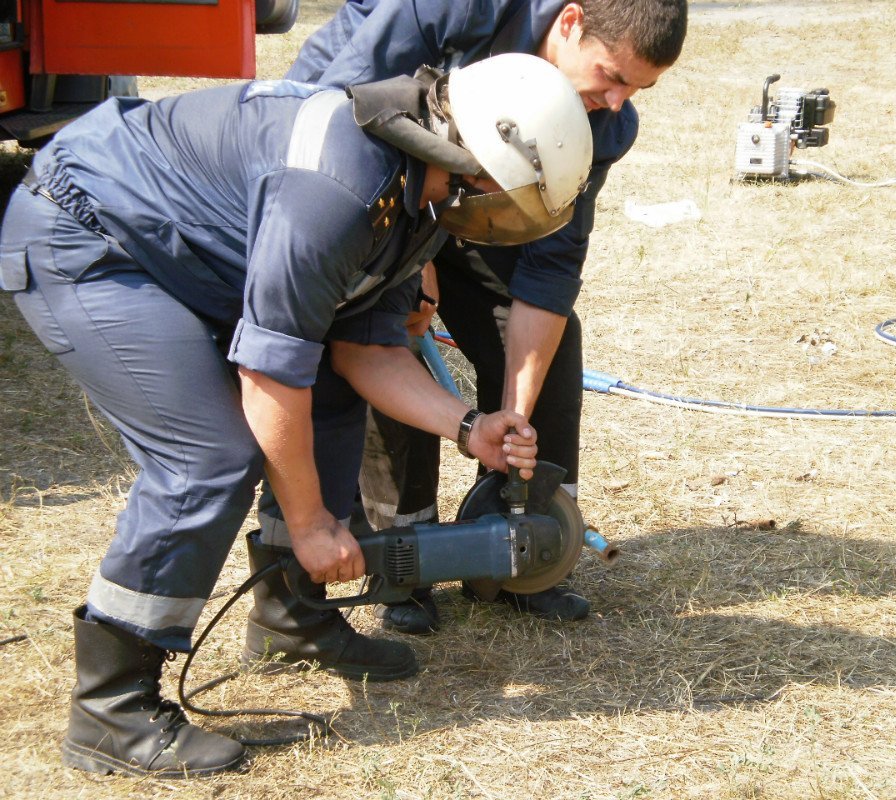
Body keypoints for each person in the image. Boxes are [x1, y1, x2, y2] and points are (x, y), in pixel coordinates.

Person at [0, 54, 593, 777]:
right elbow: (269, 372)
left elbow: (362, 353)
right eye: (509, 195)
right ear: (472, 162)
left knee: (332, 392)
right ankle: (111, 708)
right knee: (209, 459)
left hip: (172, 245)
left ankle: (291, 615)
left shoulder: (419, 195)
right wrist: (313, 525)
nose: (506, 214)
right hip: (89, 233)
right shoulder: (339, 187)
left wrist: (470, 427)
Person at [280, 0, 688, 634]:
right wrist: (410, 266)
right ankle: (405, 559)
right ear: (571, 22)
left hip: (473, 197)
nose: (617, 100)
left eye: (638, 87)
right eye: (611, 75)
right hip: (361, 176)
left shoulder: (604, 123)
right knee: (391, 328)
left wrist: (513, 424)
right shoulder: (458, 11)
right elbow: (351, 116)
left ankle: (518, 542)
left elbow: (548, 273)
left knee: (552, 347)